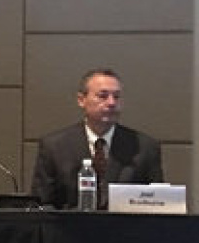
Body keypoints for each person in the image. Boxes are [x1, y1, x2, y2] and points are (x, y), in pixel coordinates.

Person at [31, 68, 163, 209]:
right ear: (81, 100)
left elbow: (158, 203)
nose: (111, 103)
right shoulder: (54, 146)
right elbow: (42, 205)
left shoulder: (144, 147)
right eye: (103, 96)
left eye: (116, 96)